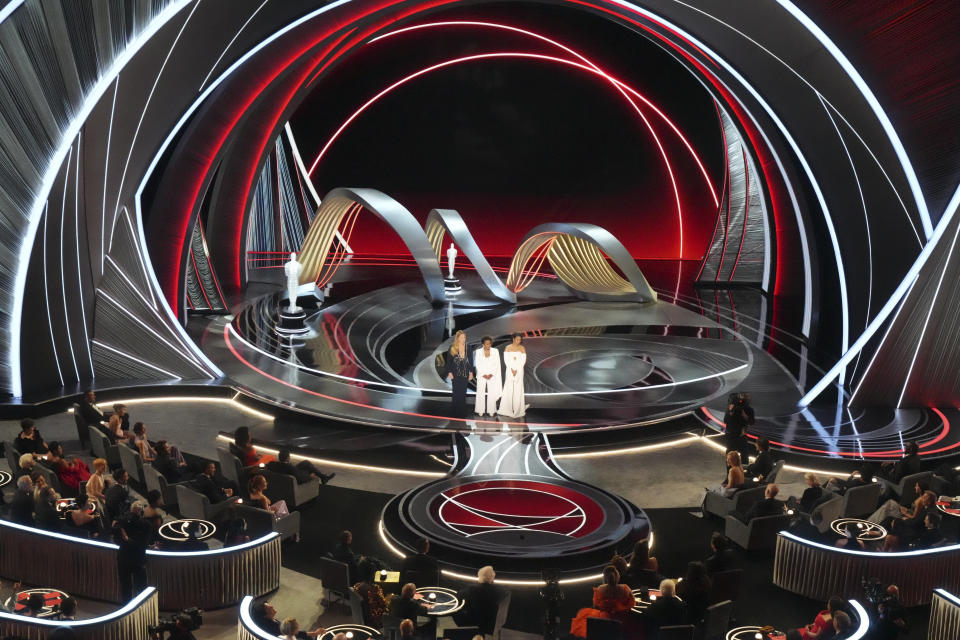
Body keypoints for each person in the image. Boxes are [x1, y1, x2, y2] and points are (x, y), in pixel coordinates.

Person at [569, 565, 636, 638]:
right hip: (622, 621)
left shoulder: (600, 589)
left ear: (605, 578)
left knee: (584, 615)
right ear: (617, 576)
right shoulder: (626, 588)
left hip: (603, 621)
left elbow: (595, 606)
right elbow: (632, 604)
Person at [455, 566, 509, 636]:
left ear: (479, 576)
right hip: (490, 626)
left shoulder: (471, 589)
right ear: (493, 577)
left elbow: (458, 596)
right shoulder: (501, 591)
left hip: (472, 624)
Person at [266, 448, 335, 485]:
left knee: (306, 462)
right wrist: (310, 477)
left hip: (287, 470)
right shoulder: (291, 467)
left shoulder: (271, 464)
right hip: (294, 474)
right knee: (309, 468)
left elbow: (266, 467)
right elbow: (300, 480)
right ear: (287, 458)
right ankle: (324, 477)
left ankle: (323, 477)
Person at [444, 330, 473, 418]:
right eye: (461, 337)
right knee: (456, 393)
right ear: (458, 338)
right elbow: (448, 361)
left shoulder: (468, 347)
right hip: (455, 373)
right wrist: (449, 372)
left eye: (464, 337)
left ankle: (462, 412)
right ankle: (455, 412)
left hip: (465, 373)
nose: (463, 339)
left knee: (463, 393)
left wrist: (471, 372)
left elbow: (471, 361)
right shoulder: (452, 347)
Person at [498, 333, 527, 418]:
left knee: (518, 389)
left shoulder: (522, 348)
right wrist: (512, 369)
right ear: (513, 339)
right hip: (510, 370)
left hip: (519, 370)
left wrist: (517, 369)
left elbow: (523, 361)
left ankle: (518, 410)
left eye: (520, 339)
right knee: (508, 388)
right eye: (517, 339)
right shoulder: (508, 347)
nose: (519, 341)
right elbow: (506, 360)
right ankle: (506, 409)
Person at [473, 336, 502, 417]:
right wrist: (483, 374)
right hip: (482, 375)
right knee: (480, 392)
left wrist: (491, 374)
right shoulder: (478, 352)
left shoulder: (495, 351)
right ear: (483, 344)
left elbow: (497, 364)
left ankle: (491, 410)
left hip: (492, 375)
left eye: (489, 343)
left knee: (492, 392)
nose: (488, 345)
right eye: (486, 344)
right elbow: (477, 364)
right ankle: (480, 410)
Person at [676, 562, 711, 626]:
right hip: (701, 617)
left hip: (686, 618)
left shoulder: (685, 586)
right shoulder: (707, 584)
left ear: (690, 573)